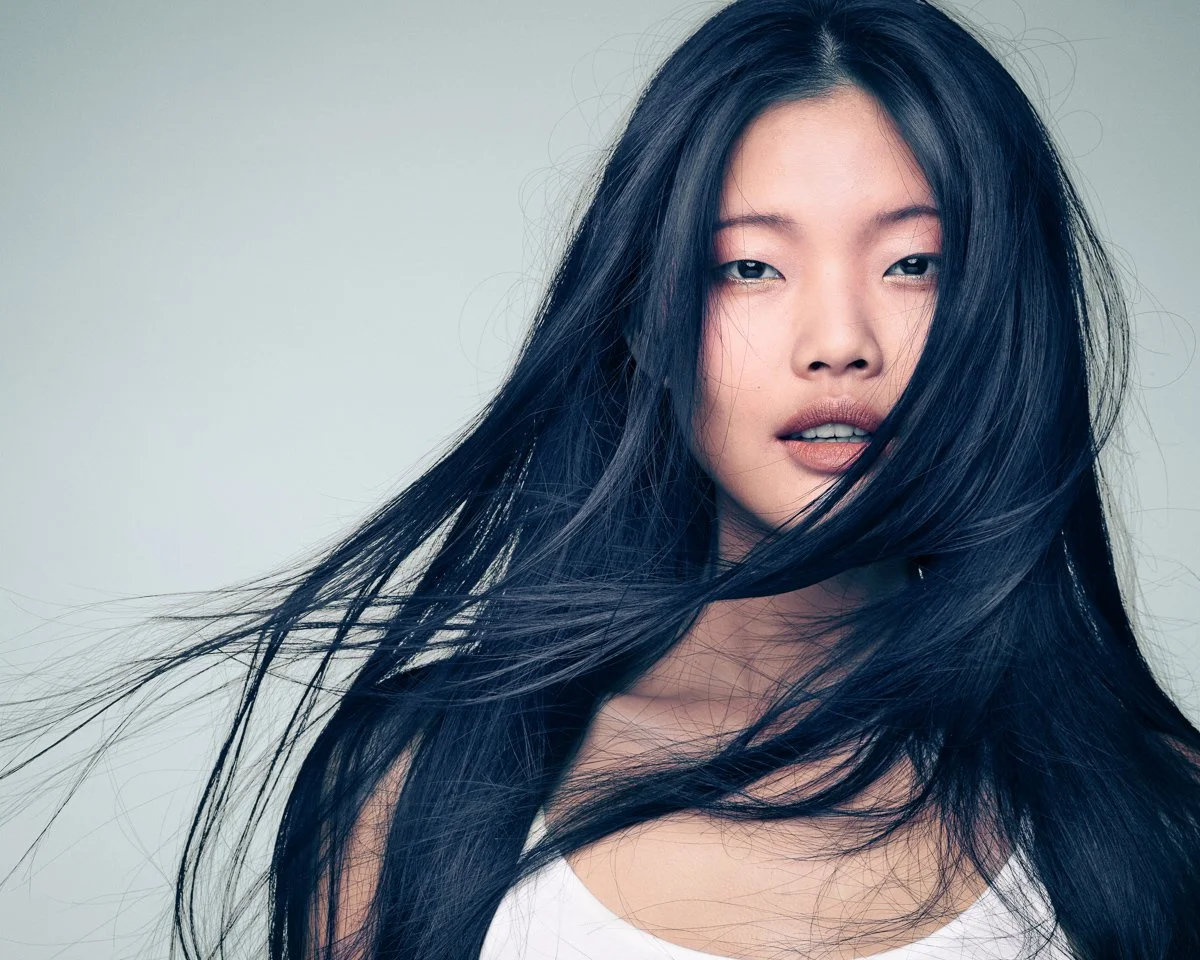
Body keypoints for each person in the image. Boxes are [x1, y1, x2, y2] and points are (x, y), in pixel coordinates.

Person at [9, 0, 1200, 958]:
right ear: (643, 321)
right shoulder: (424, 783)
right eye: (748, 266)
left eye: (913, 262)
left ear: (1008, 315)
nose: (838, 339)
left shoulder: (1154, 812)